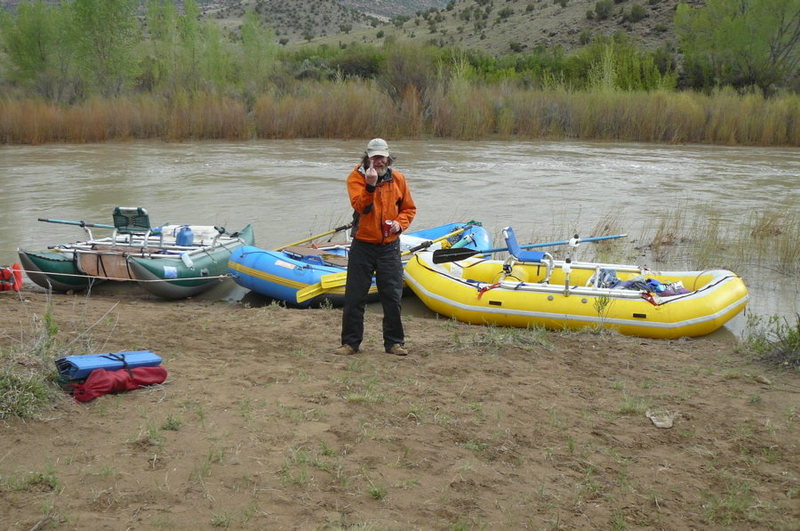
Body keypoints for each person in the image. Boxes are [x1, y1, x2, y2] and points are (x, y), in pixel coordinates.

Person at [336, 138, 417, 356]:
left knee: (392, 296)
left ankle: (394, 343)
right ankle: (350, 344)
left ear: (388, 158)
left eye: (382, 157)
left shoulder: (398, 178)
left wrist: (399, 224)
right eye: (374, 157)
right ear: (367, 158)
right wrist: (370, 186)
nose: (378, 161)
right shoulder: (356, 178)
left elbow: (408, 209)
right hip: (363, 245)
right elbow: (361, 206)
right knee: (355, 296)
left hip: (389, 247)